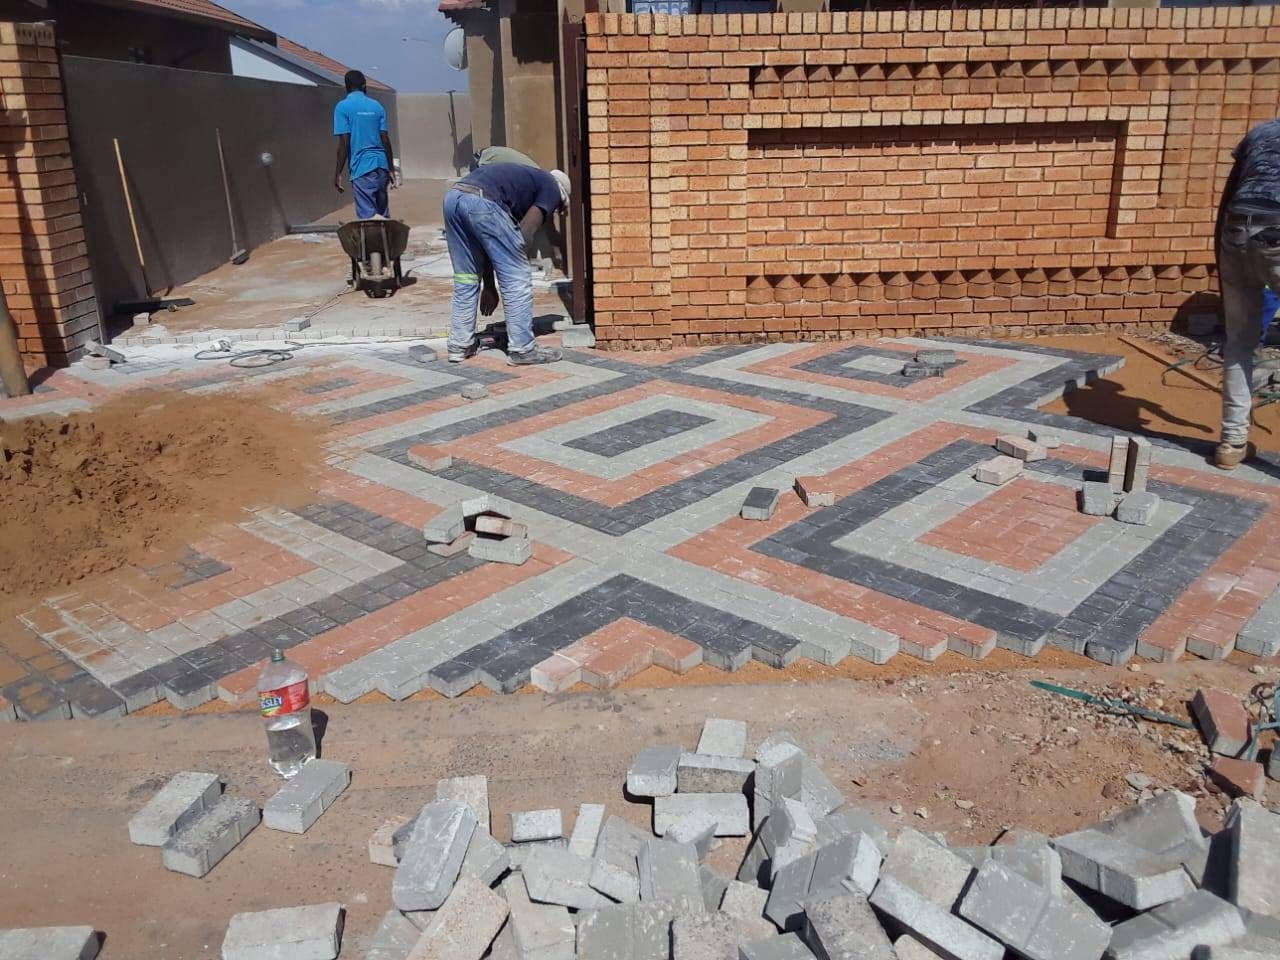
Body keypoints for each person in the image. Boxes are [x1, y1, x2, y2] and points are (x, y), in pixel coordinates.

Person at [444, 161, 570, 365]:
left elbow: (486, 248)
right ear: (561, 195)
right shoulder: (552, 186)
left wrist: (490, 286)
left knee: (466, 278)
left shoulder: (526, 181)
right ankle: (522, 349)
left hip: (453, 198)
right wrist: (516, 257)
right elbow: (526, 233)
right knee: (517, 278)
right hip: (482, 202)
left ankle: (460, 345)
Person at [1215, 118, 1280, 469]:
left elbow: (1228, 198)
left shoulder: (1260, 132)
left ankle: (1231, 443)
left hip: (1235, 233)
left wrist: (1222, 257)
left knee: (1239, 341)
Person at [333, 70, 395, 219]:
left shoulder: (342, 107)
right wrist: (391, 168)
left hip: (362, 169)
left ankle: (371, 242)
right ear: (364, 85)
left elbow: (344, 142)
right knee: (382, 216)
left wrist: (337, 174)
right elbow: (385, 138)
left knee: (368, 220)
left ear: (346, 87)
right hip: (381, 167)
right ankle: (385, 242)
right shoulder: (377, 106)